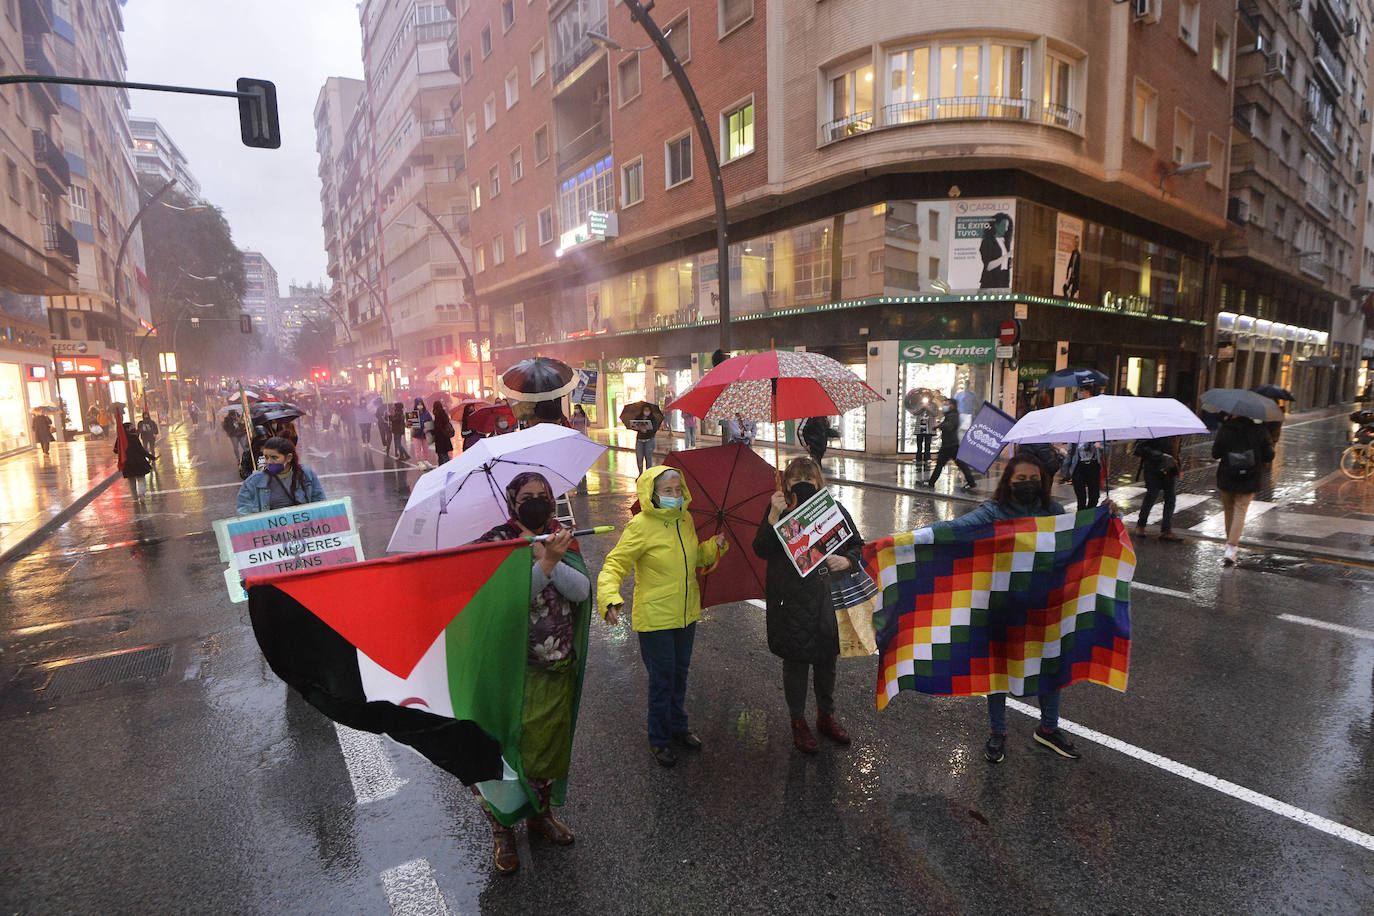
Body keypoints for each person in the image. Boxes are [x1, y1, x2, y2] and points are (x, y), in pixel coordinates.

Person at [923, 452, 1087, 763]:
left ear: (1042, 481)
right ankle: (997, 731)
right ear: (1008, 481)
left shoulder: (1053, 510)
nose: (1027, 484)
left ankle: (1048, 729)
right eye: (1021, 479)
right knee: (997, 669)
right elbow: (956, 530)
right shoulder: (994, 512)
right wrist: (907, 541)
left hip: (1044, 604)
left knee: (1050, 665)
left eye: (1033, 479)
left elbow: (1078, 537)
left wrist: (1107, 517)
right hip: (1002, 604)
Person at [470, 472, 592, 874]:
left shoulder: (560, 535)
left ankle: (540, 816)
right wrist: (546, 562)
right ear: (512, 501)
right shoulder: (496, 542)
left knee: (547, 750)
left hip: (556, 665)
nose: (538, 502)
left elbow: (580, 592)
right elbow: (505, 603)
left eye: (544, 496)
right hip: (511, 670)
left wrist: (551, 557)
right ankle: (503, 830)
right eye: (527, 497)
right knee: (507, 753)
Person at [597, 467, 727, 767]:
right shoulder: (640, 526)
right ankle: (658, 738)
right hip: (655, 619)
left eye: (678, 489)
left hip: (685, 614)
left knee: (680, 674)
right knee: (662, 679)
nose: (675, 495)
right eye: (668, 491)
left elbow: (694, 558)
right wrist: (609, 598)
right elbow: (615, 564)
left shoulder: (685, 519)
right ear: (652, 494)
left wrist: (713, 547)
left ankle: (678, 726)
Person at [752, 457, 862, 754]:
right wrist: (773, 516)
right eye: (795, 481)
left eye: (809, 481)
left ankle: (826, 716)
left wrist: (848, 559)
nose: (802, 486)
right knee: (796, 664)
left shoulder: (833, 511)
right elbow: (761, 549)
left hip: (827, 600)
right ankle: (798, 722)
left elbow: (857, 545)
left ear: (819, 483)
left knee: (827, 662)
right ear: (785, 484)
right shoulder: (777, 511)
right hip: (790, 602)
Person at [1211, 412, 1274, 566]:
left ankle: (1230, 545)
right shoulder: (1259, 429)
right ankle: (1231, 547)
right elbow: (1269, 455)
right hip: (1250, 477)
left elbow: (1215, 453)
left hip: (1227, 475)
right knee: (1240, 510)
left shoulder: (1225, 429)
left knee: (1229, 510)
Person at [235, 436, 325, 515]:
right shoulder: (253, 481)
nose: (269, 461)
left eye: (274, 457)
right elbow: (243, 511)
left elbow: (320, 503)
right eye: (266, 457)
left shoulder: (306, 475)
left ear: (289, 457)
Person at [1135, 435, 1182, 541]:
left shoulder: (1176, 431)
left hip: (1170, 468)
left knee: (1170, 498)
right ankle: (1141, 525)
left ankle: (1166, 529)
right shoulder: (1153, 430)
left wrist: (1178, 466)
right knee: (1151, 496)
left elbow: (1177, 450)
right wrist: (1161, 456)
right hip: (1153, 468)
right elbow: (1140, 448)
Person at [925, 405, 977, 491]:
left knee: (942, 465)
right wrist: (939, 425)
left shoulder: (953, 416)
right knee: (956, 465)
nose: (945, 405)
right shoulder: (950, 415)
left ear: (952, 405)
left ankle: (931, 483)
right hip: (950, 445)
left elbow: (948, 426)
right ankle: (971, 482)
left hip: (950, 446)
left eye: (947, 403)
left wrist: (938, 425)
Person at [1061, 439, 1105, 511]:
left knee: (1095, 497)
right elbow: (1070, 454)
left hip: (1093, 467)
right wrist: (1065, 469)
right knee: (1081, 499)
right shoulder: (1075, 438)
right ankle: (1082, 519)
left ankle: (1088, 515)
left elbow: (1107, 450)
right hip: (1078, 467)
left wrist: (1100, 447)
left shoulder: (1096, 436)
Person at [117, 422, 153, 503]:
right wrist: (150, 456)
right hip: (138, 461)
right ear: (127, 429)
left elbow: (116, 450)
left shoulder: (120, 439)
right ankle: (141, 494)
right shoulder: (134, 437)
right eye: (131, 427)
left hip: (127, 463)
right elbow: (141, 450)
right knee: (141, 479)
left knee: (131, 481)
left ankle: (135, 498)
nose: (133, 427)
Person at [632, 404, 660, 474]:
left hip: (649, 440)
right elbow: (634, 425)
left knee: (648, 458)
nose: (646, 412)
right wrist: (638, 429)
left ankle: (648, 474)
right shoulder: (639, 417)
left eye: (648, 410)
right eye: (645, 410)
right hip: (640, 441)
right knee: (639, 458)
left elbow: (655, 429)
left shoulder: (653, 419)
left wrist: (647, 431)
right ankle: (640, 473)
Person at [410, 397, 433, 465]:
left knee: (425, 448)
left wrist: (427, 428)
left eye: (421, 404)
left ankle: (426, 460)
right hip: (416, 434)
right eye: (418, 404)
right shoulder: (413, 414)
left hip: (425, 434)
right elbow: (410, 424)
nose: (420, 406)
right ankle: (419, 461)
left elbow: (431, 422)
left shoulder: (426, 413)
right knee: (418, 449)